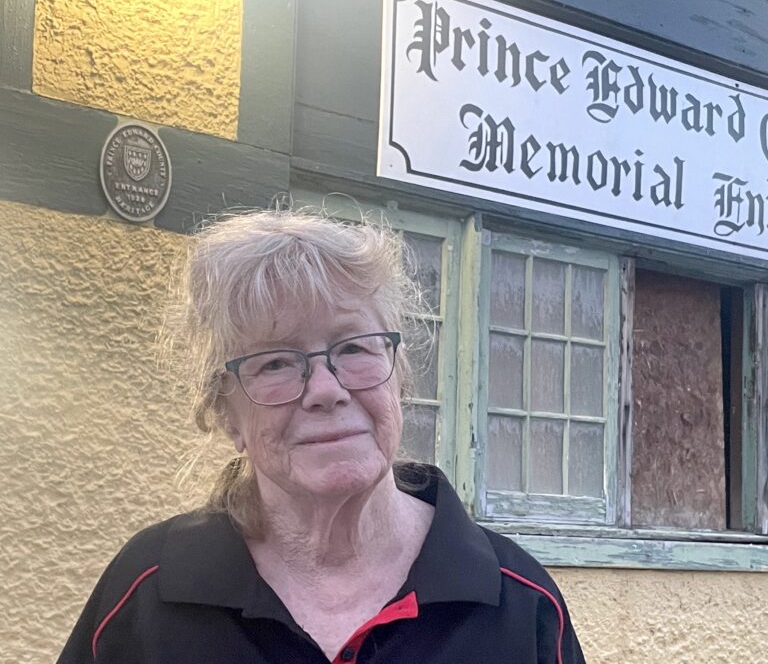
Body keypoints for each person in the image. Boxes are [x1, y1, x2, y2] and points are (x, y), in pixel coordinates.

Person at [57, 209, 586, 664]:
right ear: (226, 413)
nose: (326, 390)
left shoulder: (519, 602)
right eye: (277, 363)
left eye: (354, 348)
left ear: (399, 373)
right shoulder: (150, 591)